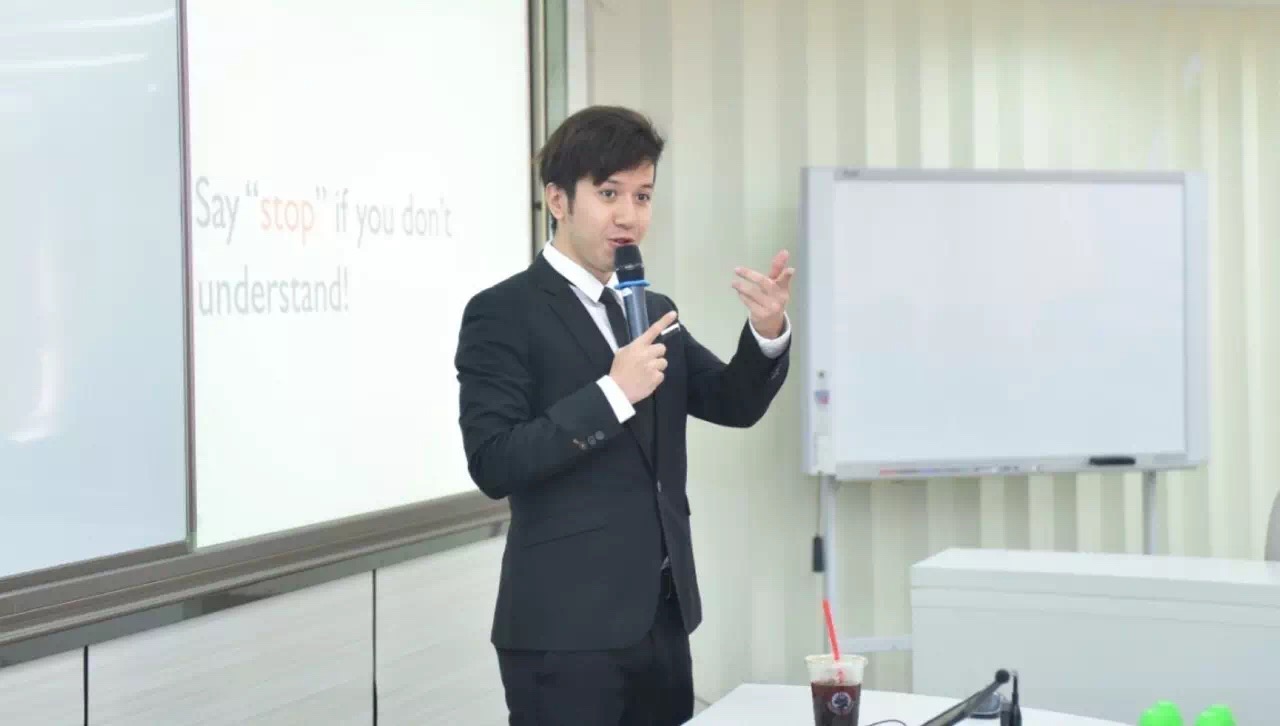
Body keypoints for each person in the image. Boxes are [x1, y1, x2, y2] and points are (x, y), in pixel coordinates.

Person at [454, 105, 793, 725]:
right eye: (608, 193)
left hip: (661, 620)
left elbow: (733, 402)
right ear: (558, 199)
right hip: (563, 634)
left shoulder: (651, 308)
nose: (629, 215)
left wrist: (767, 333)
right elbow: (494, 462)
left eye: (643, 195)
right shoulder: (502, 312)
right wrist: (612, 393)